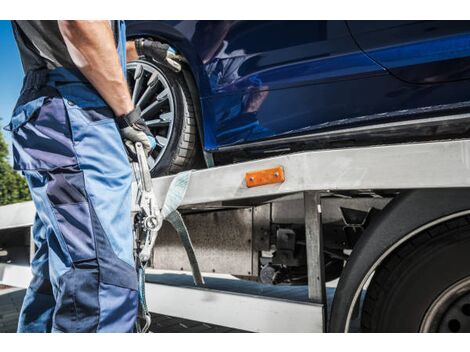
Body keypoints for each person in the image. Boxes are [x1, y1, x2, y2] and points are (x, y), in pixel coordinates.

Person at [6, 20, 157, 333]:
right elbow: (79, 24)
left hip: (50, 106)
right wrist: (128, 112)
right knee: (102, 280)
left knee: (56, 274)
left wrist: (139, 47)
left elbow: (86, 40)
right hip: (78, 114)